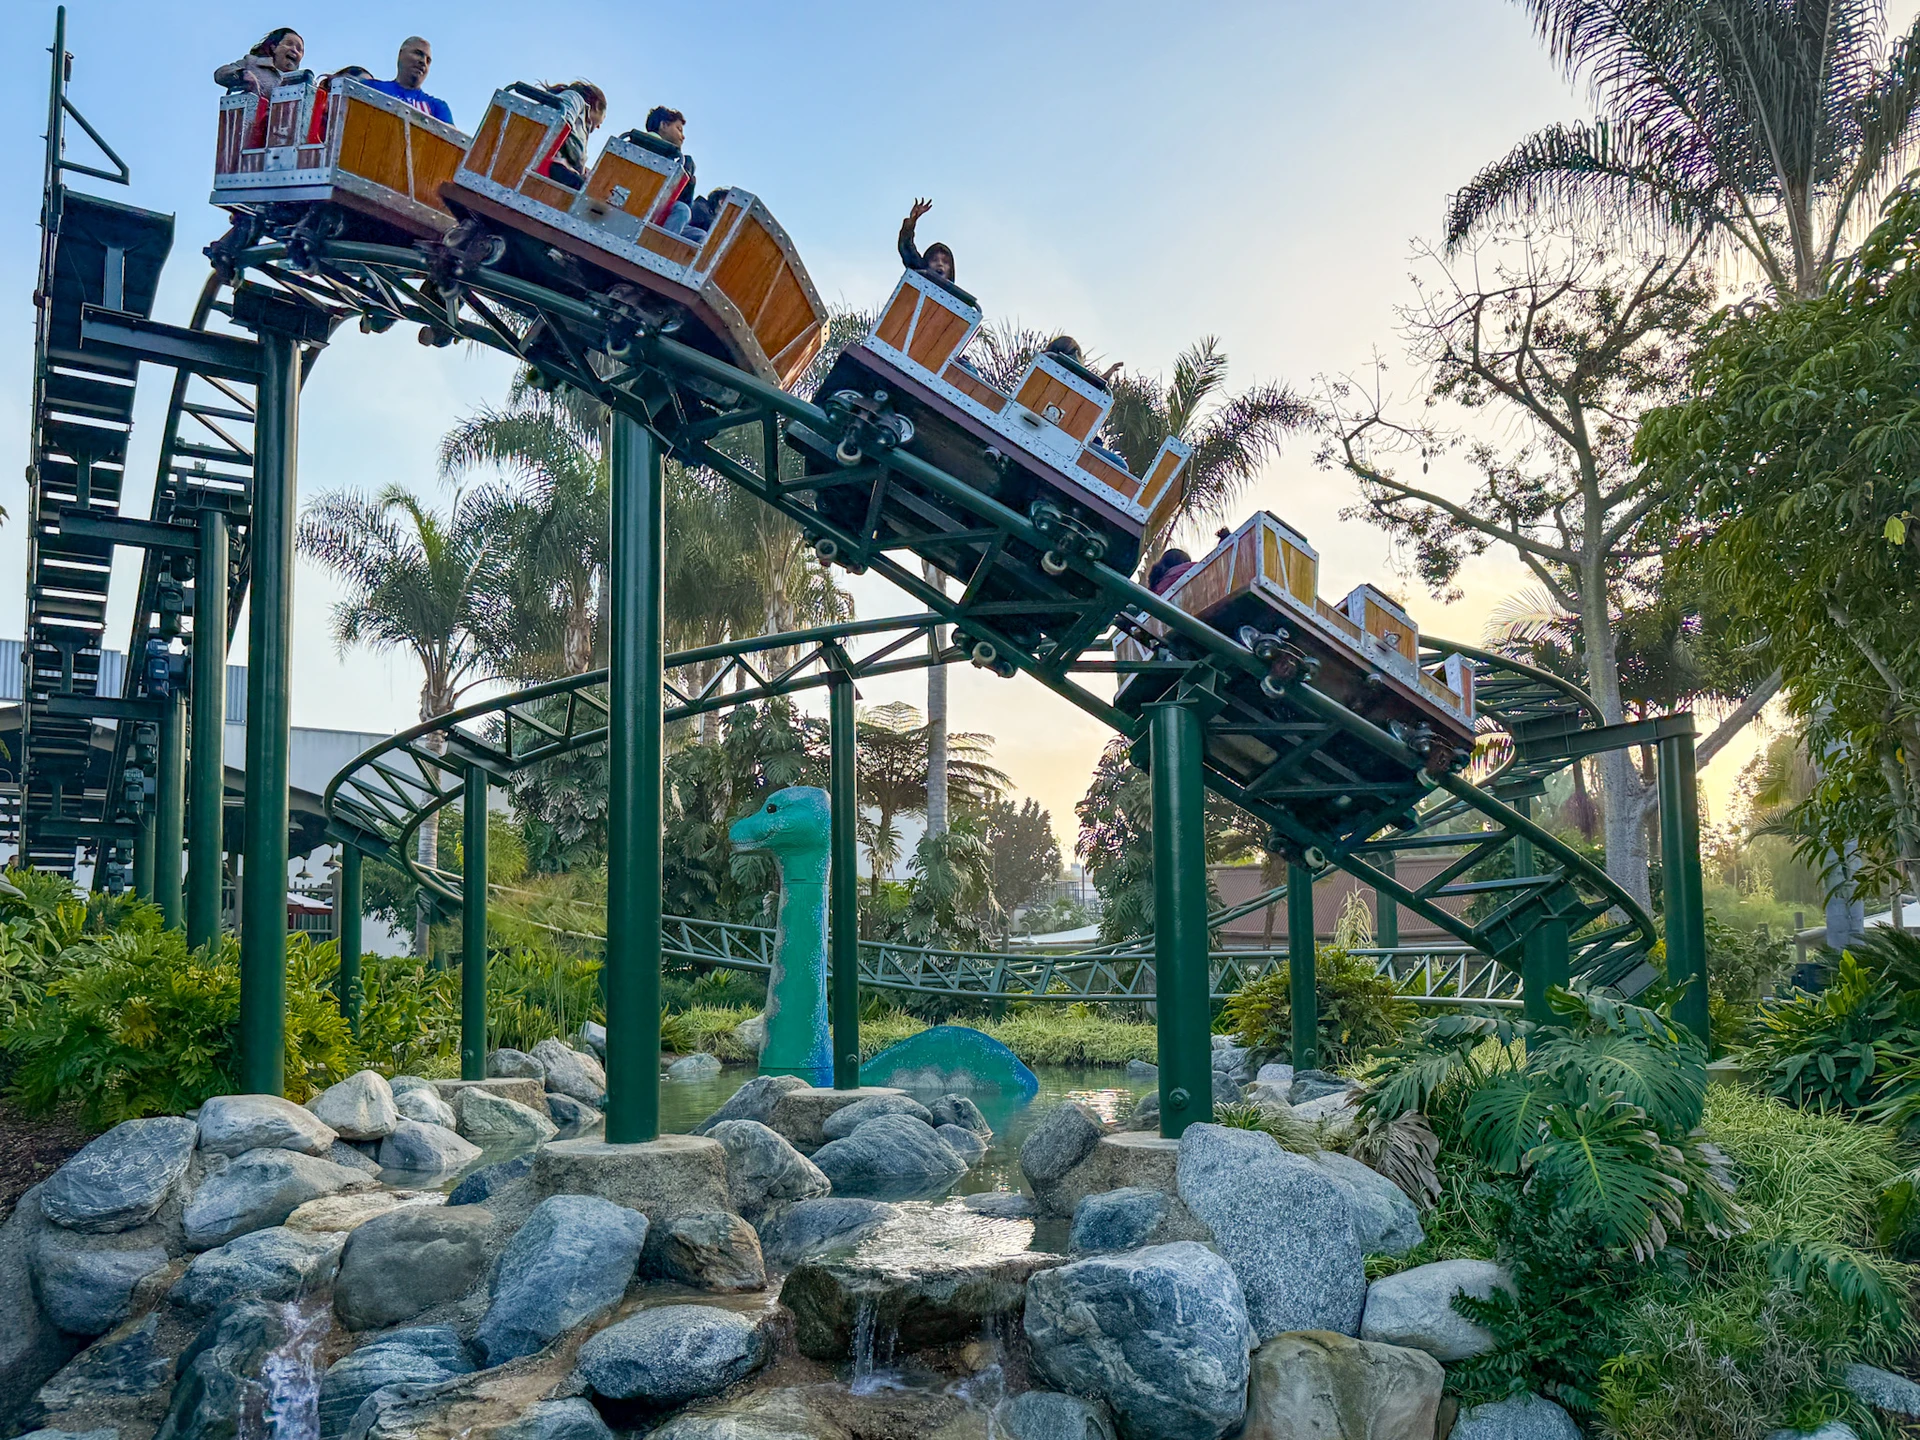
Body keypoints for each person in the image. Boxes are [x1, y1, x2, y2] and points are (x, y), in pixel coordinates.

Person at [361, 36, 453, 123]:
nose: (423, 62)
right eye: (418, 53)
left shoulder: (438, 107)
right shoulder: (370, 88)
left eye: (428, 60)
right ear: (400, 54)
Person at [540, 80, 606, 189]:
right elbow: (560, 121)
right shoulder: (574, 98)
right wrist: (581, 168)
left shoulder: (575, 113)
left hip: (552, 162)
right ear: (597, 105)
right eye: (602, 121)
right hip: (551, 165)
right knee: (588, 193)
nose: (598, 126)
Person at [214, 27, 305, 95]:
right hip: (253, 119)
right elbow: (220, 74)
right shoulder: (252, 63)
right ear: (274, 47)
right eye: (289, 44)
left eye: (299, 49)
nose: (294, 50)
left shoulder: (302, 81)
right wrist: (241, 75)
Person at [898, 198, 955, 283]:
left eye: (945, 261)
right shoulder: (921, 275)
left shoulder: (953, 295)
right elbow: (906, 247)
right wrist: (911, 223)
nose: (940, 264)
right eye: (934, 260)